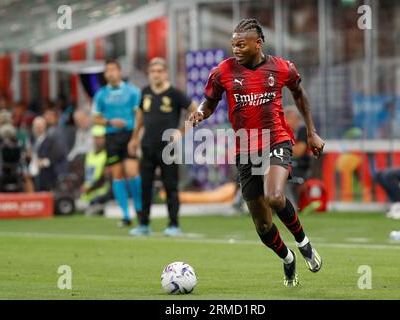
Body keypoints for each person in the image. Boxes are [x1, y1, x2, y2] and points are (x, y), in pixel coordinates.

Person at [188, 19, 324, 287]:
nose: (236, 48)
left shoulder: (282, 67)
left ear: (257, 43)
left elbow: (299, 94)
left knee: (275, 196)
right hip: (245, 149)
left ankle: (303, 243)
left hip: (276, 140)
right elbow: (211, 100)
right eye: (233, 44)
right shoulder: (223, 71)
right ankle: (287, 259)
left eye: (241, 44)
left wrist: (311, 132)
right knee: (263, 226)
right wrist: (201, 112)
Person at [128, 57, 197, 236]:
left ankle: (173, 225)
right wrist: (134, 138)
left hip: (168, 148)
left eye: (159, 71)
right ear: (149, 74)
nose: (156, 75)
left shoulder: (175, 93)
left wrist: (181, 131)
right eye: (152, 72)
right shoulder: (144, 92)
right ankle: (143, 224)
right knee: (145, 186)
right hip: (147, 145)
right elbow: (140, 117)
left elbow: (196, 111)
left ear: (165, 73)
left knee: (170, 186)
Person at [92, 59, 142, 227]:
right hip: (112, 138)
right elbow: (95, 118)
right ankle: (126, 216)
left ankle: (140, 209)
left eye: (113, 69)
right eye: (107, 70)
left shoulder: (132, 91)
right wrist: (110, 122)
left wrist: (136, 136)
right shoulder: (101, 94)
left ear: (120, 72)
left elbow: (140, 115)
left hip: (129, 135)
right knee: (117, 175)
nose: (110, 73)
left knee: (132, 172)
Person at [78, 125, 111, 216]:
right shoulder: (89, 155)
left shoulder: (108, 155)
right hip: (87, 192)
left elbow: (104, 178)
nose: (97, 140)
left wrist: (90, 188)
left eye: (100, 138)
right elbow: (85, 174)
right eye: (95, 138)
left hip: (101, 191)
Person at [29, 116, 68, 191]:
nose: (38, 129)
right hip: (33, 171)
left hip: (48, 173)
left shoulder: (51, 140)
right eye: (36, 126)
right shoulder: (32, 140)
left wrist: (44, 162)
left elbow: (58, 154)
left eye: (40, 126)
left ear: (45, 127)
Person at [285, 106, 311, 207]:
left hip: (299, 166)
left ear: (296, 119)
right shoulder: (282, 132)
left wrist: (280, 145)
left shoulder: (302, 131)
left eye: (288, 118)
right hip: (285, 163)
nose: (285, 120)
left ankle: (290, 206)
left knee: (282, 175)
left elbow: (298, 152)